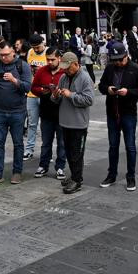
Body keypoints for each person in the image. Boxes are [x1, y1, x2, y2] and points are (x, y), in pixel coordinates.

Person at [0, 40, 32, 185]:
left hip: (18, 111)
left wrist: (14, 80)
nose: (3, 58)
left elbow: (28, 87)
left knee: (18, 143)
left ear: (13, 52)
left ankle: (17, 172)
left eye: (6, 55)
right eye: (1, 55)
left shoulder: (22, 66)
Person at [98, 40, 138, 191]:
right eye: (115, 60)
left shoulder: (136, 69)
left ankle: (131, 177)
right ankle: (111, 174)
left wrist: (128, 92)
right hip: (112, 111)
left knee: (130, 146)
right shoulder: (110, 68)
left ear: (126, 56)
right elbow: (101, 86)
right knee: (113, 145)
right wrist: (108, 89)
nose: (118, 63)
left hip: (128, 112)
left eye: (120, 60)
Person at [56, 51, 94, 193]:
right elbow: (57, 100)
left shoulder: (85, 77)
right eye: (64, 67)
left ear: (76, 64)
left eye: (68, 67)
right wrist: (56, 95)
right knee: (69, 152)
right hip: (65, 121)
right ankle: (74, 176)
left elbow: (89, 100)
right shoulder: (64, 77)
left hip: (79, 123)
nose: (65, 70)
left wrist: (71, 95)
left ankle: (77, 180)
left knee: (77, 153)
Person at [32, 48, 66, 179]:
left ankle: (60, 167)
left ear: (59, 58)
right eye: (48, 59)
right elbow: (33, 88)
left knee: (62, 142)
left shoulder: (64, 72)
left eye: (52, 59)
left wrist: (60, 92)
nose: (50, 62)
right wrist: (42, 90)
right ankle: (43, 166)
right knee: (46, 142)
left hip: (62, 113)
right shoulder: (42, 71)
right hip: (46, 112)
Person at [22, 33, 48, 160]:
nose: (36, 49)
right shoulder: (30, 52)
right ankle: (29, 149)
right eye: (34, 47)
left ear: (43, 43)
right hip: (32, 93)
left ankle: (46, 150)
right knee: (32, 123)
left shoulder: (49, 52)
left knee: (46, 124)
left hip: (45, 93)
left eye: (38, 47)